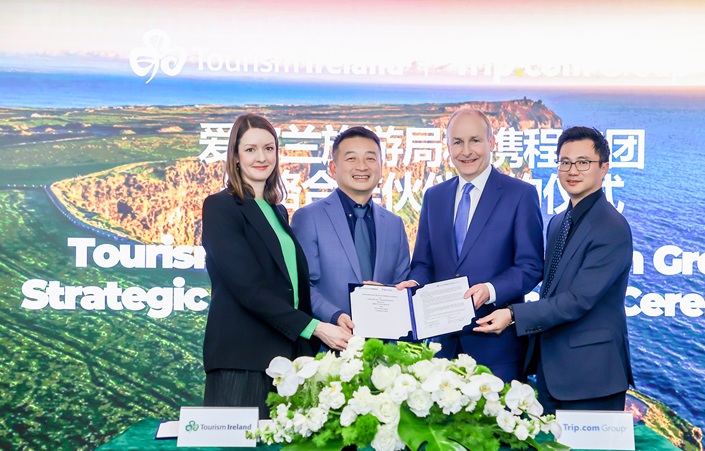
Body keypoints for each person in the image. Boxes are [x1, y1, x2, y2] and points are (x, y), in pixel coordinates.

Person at [201, 113, 351, 418]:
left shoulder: (278, 212)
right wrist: (316, 328)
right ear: (236, 157)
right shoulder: (220, 207)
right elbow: (248, 288)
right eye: (251, 149)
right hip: (242, 361)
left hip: (286, 361)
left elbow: (291, 287)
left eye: (269, 149)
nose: (262, 157)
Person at [474, 126, 634, 413]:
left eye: (583, 162)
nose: (572, 170)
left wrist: (512, 314)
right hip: (551, 370)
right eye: (564, 162)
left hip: (591, 376)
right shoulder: (558, 222)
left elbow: (577, 300)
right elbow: (550, 289)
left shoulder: (612, 228)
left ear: (604, 168)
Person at [397, 108, 544, 382]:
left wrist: (490, 290)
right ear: (448, 146)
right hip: (442, 350)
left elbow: (531, 265)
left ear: (492, 142)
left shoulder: (520, 195)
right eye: (457, 142)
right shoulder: (434, 197)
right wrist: (415, 283)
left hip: (497, 349)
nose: (466, 151)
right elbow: (424, 263)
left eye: (475, 140)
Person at [290, 126, 410, 331]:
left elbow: (402, 283)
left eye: (370, 159)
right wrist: (335, 316)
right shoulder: (308, 218)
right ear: (333, 168)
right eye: (351, 159)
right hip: (327, 347)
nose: (362, 167)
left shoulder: (394, 224)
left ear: (381, 167)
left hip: (384, 349)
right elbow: (301, 286)